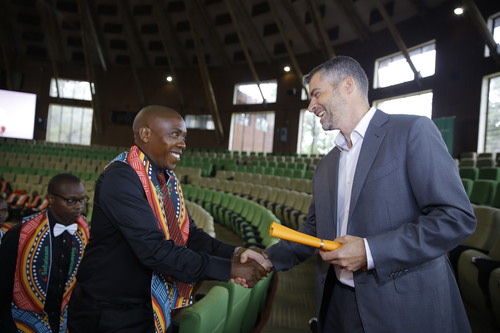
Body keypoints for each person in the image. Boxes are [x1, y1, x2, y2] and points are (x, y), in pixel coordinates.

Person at [252, 56, 476, 332]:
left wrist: (371, 252)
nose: (310, 106)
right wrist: (270, 258)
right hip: (336, 304)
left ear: (348, 86)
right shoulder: (326, 164)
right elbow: (314, 229)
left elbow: (456, 218)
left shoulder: (411, 131)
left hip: (402, 309)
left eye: (316, 94)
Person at [68, 105, 267, 333]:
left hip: (146, 307)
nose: (183, 143)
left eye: (184, 137)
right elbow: (154, 250)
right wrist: (228, 269)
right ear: (145, 134)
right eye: (175, 134)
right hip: (107, 314)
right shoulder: (121, 178)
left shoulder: (166, 180)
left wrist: (237, 254)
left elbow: (191, 236)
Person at [0, 173, 89, 332]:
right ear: (51, 199)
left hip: (63, 323)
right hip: (21, 323)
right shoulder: (19, 234)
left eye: (82, 200)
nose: (78, 206)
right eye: (71, 201)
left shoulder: (84, 233)